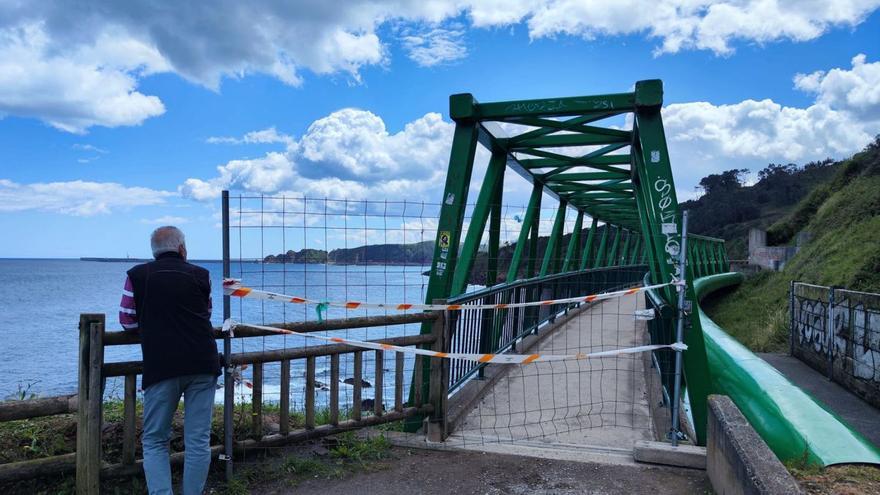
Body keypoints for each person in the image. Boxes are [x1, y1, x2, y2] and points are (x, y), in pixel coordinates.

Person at [119, 226, 220, 495]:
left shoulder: (138, 276)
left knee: (154, 439)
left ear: (154, 251)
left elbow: (127, 321)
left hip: (161, 365)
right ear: (182, 249)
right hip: (202, 361)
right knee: (197, 440)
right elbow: (206, 313)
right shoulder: (201, 275)